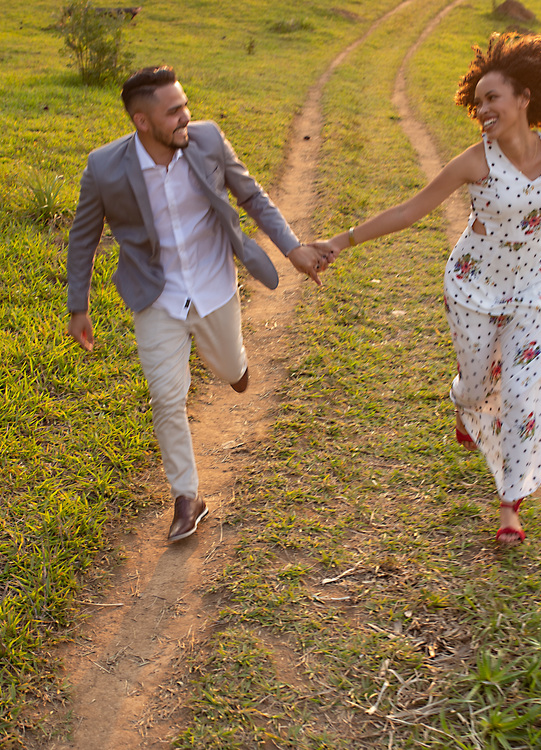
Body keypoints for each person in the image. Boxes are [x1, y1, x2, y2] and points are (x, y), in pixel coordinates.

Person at [317, 32, 541, 545]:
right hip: (473, 287)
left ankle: (510, 503)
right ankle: (463, 405)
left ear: (523, 97)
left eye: (492, 98)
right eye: (477, 103)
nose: (483, 110)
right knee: (475, 389)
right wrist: (342, 240)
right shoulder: (476, 161)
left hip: (533, 289)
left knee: (518, 390)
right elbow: (410, 210)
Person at [65, 65, 331, 543]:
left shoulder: (206, 141)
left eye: (185, 104)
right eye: (174, 111)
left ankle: (235, 368)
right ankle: (187, 497)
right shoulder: (105, 168)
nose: (186, 116)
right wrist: (78, 306)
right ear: (142, 122)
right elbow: (83, 238)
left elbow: (253, 197)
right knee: (166, 397)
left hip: (214, 285)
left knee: (230, 367)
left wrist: (292, 249)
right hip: (154, 296)